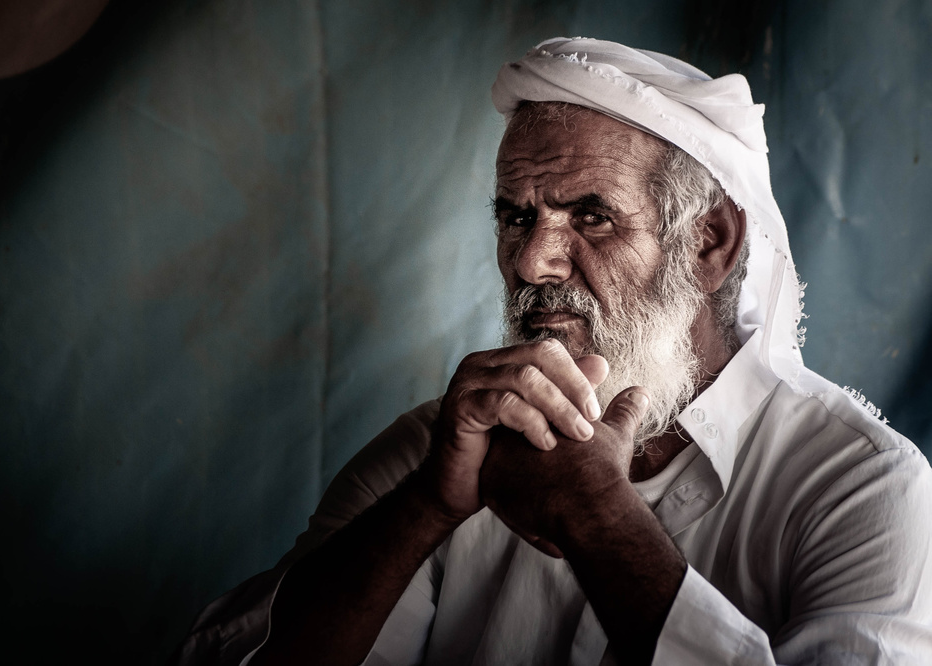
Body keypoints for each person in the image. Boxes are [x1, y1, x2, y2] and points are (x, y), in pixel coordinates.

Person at [171, 38, 932, 665]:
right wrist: (430, 506)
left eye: (591, 217)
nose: (532, 263)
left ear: (709, 242)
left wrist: (598, 517)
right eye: (514, 217)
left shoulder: (864, 490)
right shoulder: (442, 452)